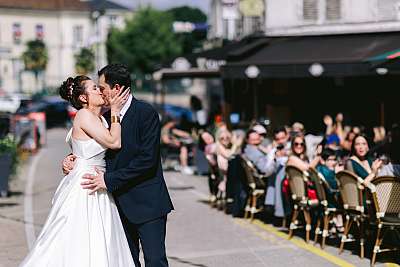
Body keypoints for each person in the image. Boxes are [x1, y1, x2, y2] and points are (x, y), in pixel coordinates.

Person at [63, 64, 174, 267]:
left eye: (102, 87)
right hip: (115, 204)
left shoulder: (145, 113)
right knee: (125, 261)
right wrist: (73, 157)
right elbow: (93, 146)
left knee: (155, 260)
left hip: (146, 202)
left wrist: (108, 179)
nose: (100, 91)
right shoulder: (102, 117)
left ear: (116, 88)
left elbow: (147, 161)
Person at [20, 75, 134, 266]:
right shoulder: (84, 115)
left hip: (99, 183)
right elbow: (114, 142)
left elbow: (83, 148)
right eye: (95, 88)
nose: (100, 90)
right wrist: (114, 111)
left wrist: (69, 158)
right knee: (77, 238)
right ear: (83, 98)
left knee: (102, 237)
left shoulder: (99, 117)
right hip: (85, 184)